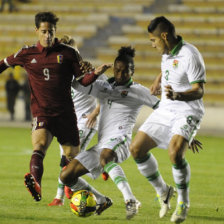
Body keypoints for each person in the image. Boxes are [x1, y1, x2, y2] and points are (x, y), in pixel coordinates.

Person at [0, 11, 110, 202]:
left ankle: (94, 195)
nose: (48, 35)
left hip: (66, 115)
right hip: (42, 112)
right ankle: (36, 183)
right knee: (39, 146)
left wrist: (96, 73)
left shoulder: (68, 53)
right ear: (36, 30)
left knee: (71, 160)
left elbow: (82, 81)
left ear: (55, 30)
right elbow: (2, 64)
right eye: (44, 31)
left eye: (51, 31)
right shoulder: (26, 53)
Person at [59, 46, 164, 219]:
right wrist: (93, 73)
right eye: (117, 70)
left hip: (120, 141)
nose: (120, 75)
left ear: (133, 71)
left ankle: (131, 200)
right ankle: (101, 199)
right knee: (66, 176)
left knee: (106, 157)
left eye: (125, 71)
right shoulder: (104, 86)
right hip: (102, 145)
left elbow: (164, 109)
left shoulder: (139, 91)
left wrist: (181, 132)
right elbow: (76, 85)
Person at [129, 16, 206, 223]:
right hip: (166, 108)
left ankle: (183, 201)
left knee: (175, 154)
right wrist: (157, 81)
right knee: (136, 149)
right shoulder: (167, 52)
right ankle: (163, 191)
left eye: (153, 41)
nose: (153, 45)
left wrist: (178, 95)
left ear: (164, 36)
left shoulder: (190, 54)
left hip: (187, 110)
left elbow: (199, 91)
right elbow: (167, 67)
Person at [48, 35, 104, 206]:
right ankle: (60, 197)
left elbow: (106, 93)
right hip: (66, 122)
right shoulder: (61, 73)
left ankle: (65, 193)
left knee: (70, 161)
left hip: (85, 122)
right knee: (65, 161)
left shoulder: (87, 69)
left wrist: (95, 112)